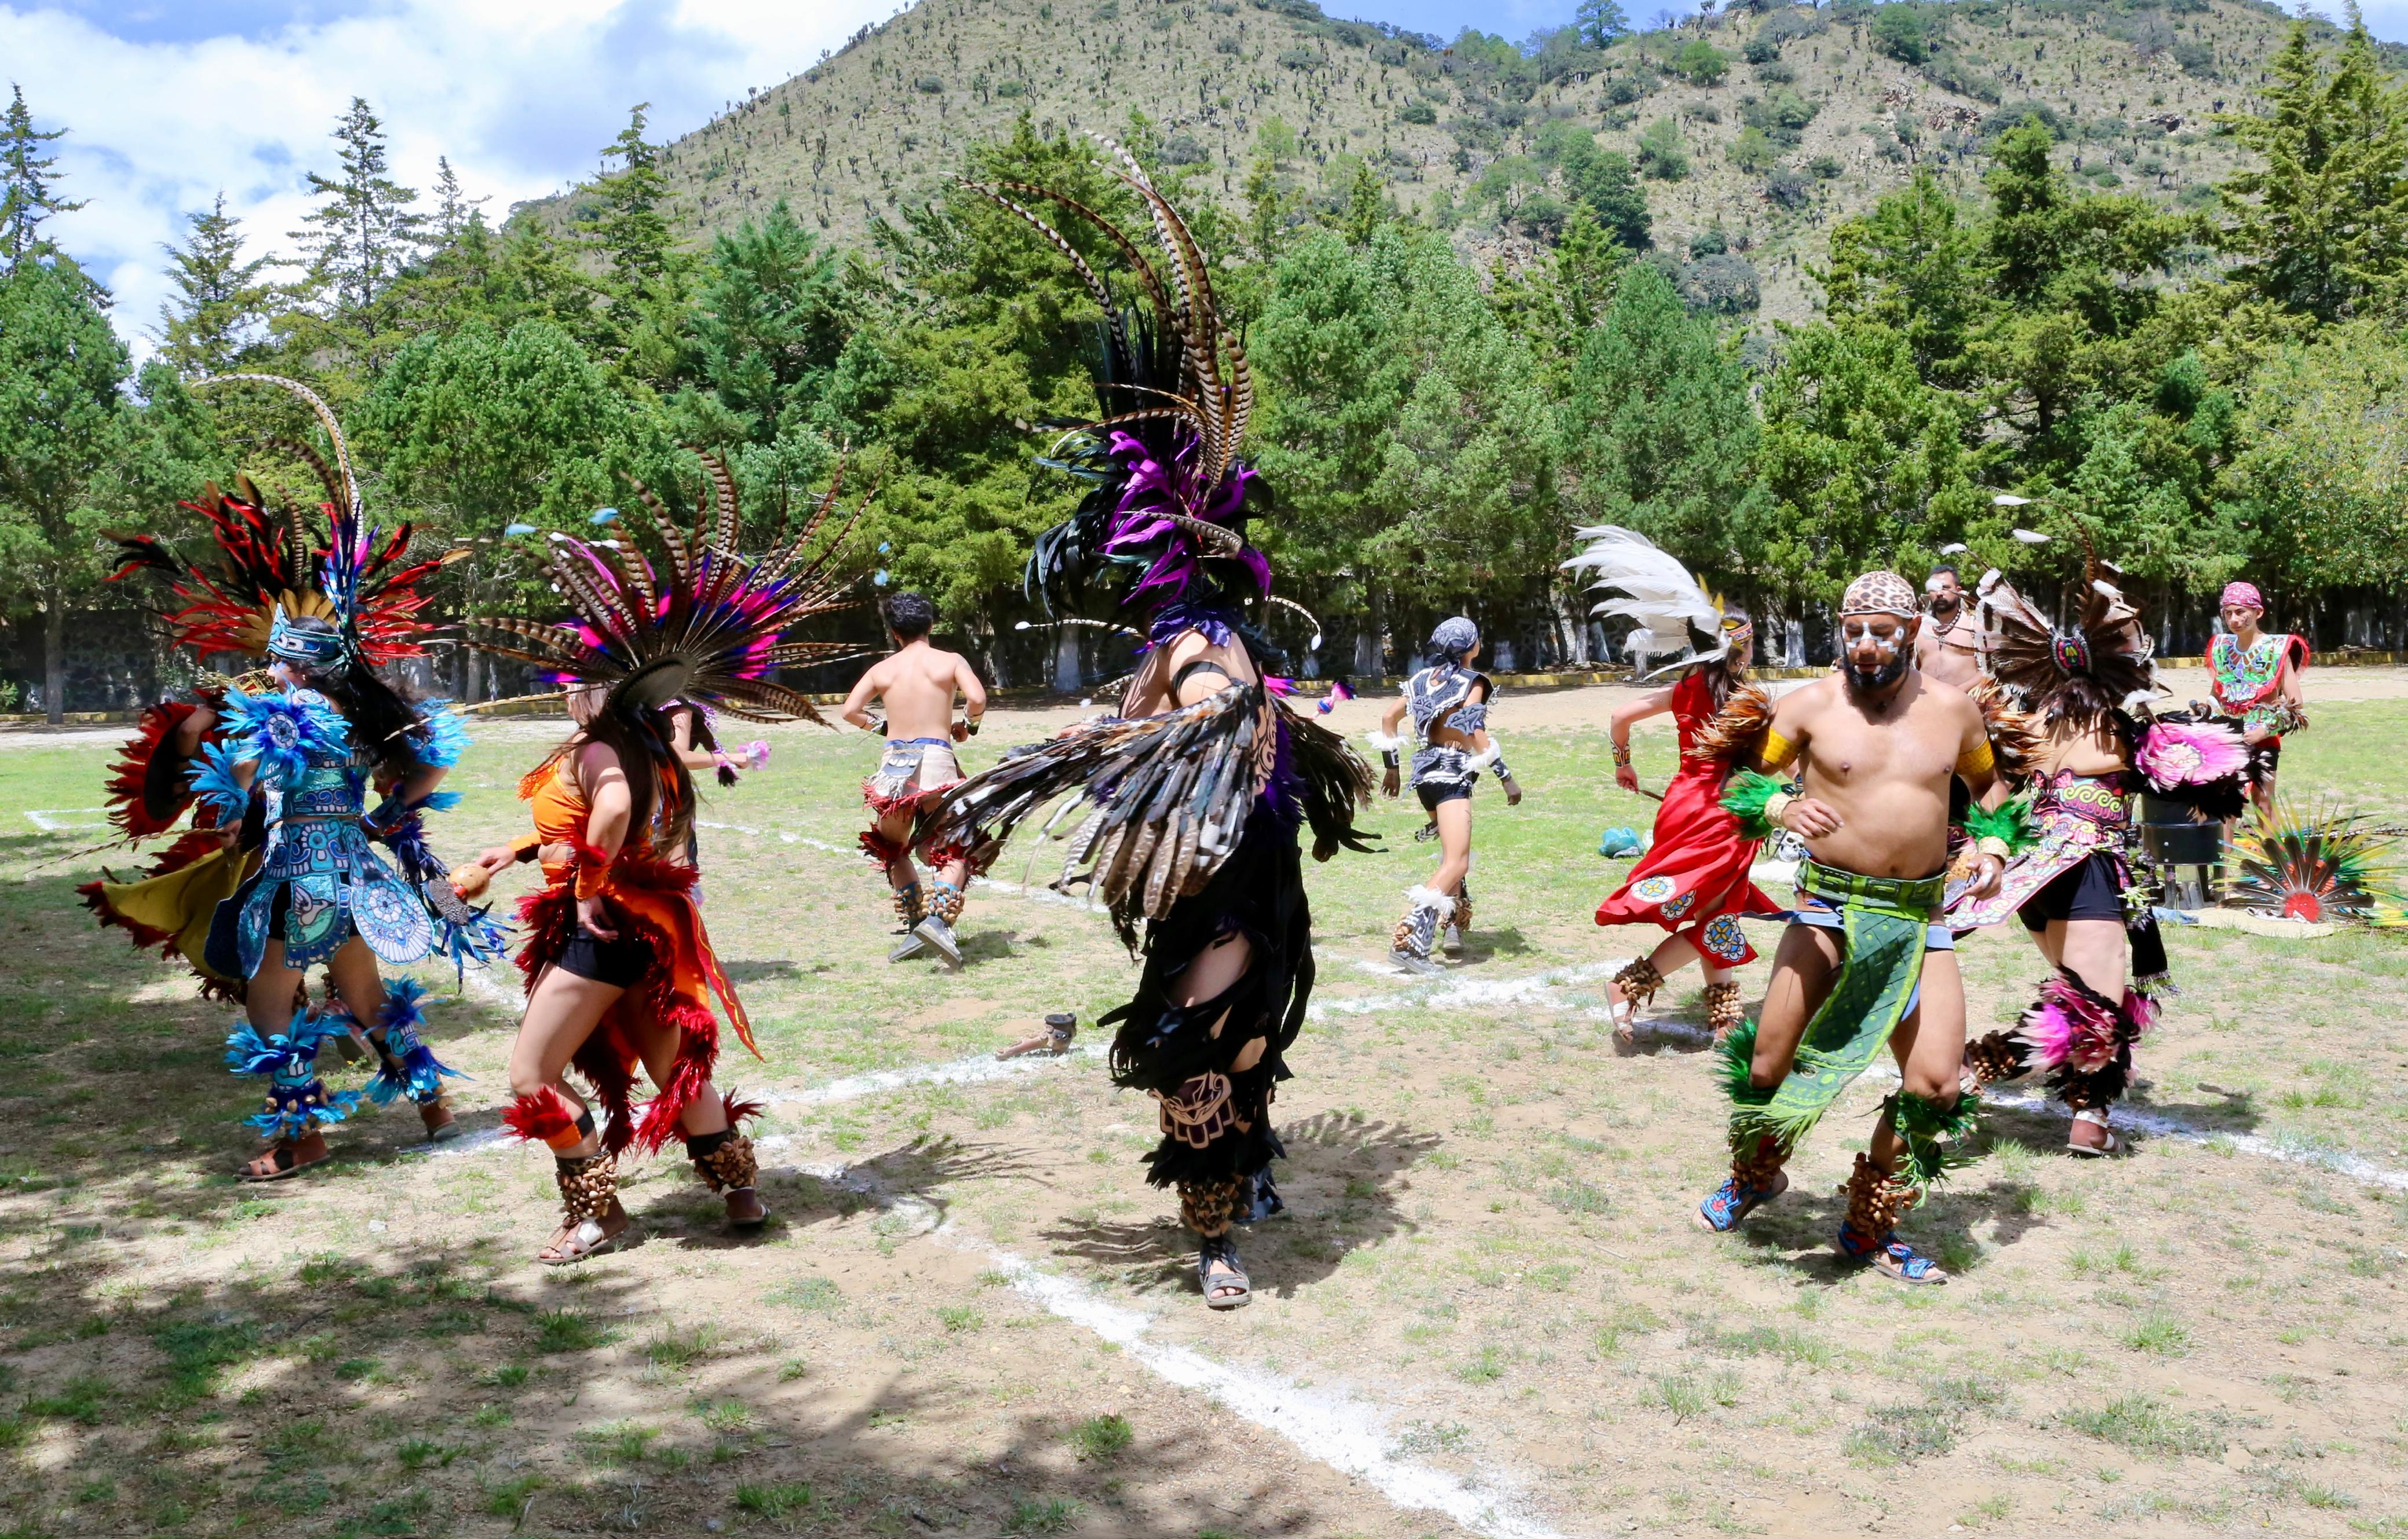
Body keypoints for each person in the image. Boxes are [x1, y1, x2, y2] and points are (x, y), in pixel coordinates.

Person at [914, 156, 1371, 1310]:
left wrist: (1117, 746)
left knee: (1199, 1049)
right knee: (1232, 1045)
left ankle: (1215, 1232)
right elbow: (1181, 730)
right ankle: (1242, 1180)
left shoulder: (1204, 642)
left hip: (1233, 887)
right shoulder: (1175, 645)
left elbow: (1220, 714)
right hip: (1209, 887)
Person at [459, 471, 860, 1265]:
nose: (565, 694)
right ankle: (740, 1188)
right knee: (672, 1070)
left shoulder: (602, 745)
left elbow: (606, 813)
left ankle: (595, 1211)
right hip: (645, 923)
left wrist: (583, 888)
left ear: (598, 691)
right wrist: (519, 849)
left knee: (529, 1075)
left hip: (603, 928)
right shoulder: (650, 744)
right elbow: (604, 823)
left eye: (573, 683)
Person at [1694, 571, 2021, 1285]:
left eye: (1880, 631)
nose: (1865, 645)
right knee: (1766, 1068)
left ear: (1909, 632)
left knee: (1935, 1086)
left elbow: (1992, 792)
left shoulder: (1955, 713)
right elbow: (1737, 784)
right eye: (1853, 631)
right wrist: (1779, 808)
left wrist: (1991, 846)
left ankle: (1867, 1224)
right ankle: (1756, 1173)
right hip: (1826, 910)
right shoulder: (1807, 706)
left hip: (1915, 916)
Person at [1952, 560, 2249, 1155]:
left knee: (2087, 996)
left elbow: (1989, 796)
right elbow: (2201, 775)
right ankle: (1981, 1067)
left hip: (2032, 876)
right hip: (2083, 864)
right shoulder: (2118, 727)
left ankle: (2086, 1115)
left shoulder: (2026, 724)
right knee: (2095, 1007)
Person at [1562, 526, 1773, 1042]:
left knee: (1714, 906)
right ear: (1739, 647)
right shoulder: (1752, 696)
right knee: (1715, 910)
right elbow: (1770, 761)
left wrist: (1623, 764)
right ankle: (1628, 985)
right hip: (1724, 811)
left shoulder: (1684, 686)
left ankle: (1723, 1014)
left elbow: (1618, 715)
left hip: (1682, 803)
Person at [842, 592, 989, 965]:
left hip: (895, 766)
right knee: (956, 847)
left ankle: (915, 924)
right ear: (931, 626)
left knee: (891, 847)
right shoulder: (950, 661)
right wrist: (968, 726)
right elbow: (977, 698)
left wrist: (885, 728)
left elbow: (851, 711)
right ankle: (937, 924)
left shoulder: (882, 669)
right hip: (938, 761)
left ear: (894, 632)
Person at [1370, 619, 1522, 974]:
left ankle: (1452, 924)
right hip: (1451, 774)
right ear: (1472, 647)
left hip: (1424, 776)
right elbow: (1473, 728)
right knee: (1457, 862)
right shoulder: (1474, 682)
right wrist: (1506, 777)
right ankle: (1408, 941)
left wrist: (1392, 767)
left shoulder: (1423, 678)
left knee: (1453, 855)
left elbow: (1388, 718)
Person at [2200, 581, 2307, 813]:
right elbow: (2217, 695)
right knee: (2225, 803)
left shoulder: (2277, 649)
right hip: (2228, 737)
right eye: (2228, 613)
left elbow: (2295, 703)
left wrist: (2264, 731)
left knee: (2264, 801)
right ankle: (2224, 850)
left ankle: (2270, 849)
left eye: (2240, 612)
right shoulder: (2222, 648)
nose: (2234, 620)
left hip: (2264, 737)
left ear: (2258, 612)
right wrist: (2204, 710)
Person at [1914, 565, 1984, 689]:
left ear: (1958, 590)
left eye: (1945, 588)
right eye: (1934, 589)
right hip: (1928, 703)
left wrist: (1960, 692)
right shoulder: (1918, 628)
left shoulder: (1975, 625)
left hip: (1968, 703)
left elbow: (1991, 669)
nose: (1940, 593)